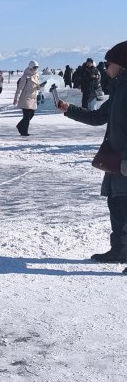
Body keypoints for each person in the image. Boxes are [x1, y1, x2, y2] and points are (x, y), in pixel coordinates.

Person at [57, 41, 127, 264]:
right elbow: (98, 117)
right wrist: (70, 110)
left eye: (109, 63)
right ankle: (120, 250)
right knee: (117, 205)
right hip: (117, 160)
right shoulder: (118, 88)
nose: (105, 68)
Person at [13, 61, 41, 136]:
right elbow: (20, 88)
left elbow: (36, 85)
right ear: (31, 67)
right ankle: (24, 132)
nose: (36, 69)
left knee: (32, 114)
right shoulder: (25, 76)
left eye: (37, 67)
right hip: (25, 98)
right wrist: (16, 98)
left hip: (33, 98)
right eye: (34, 67)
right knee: (27, 116)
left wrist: (39, 86)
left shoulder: (37, 75)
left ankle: (20, 126)